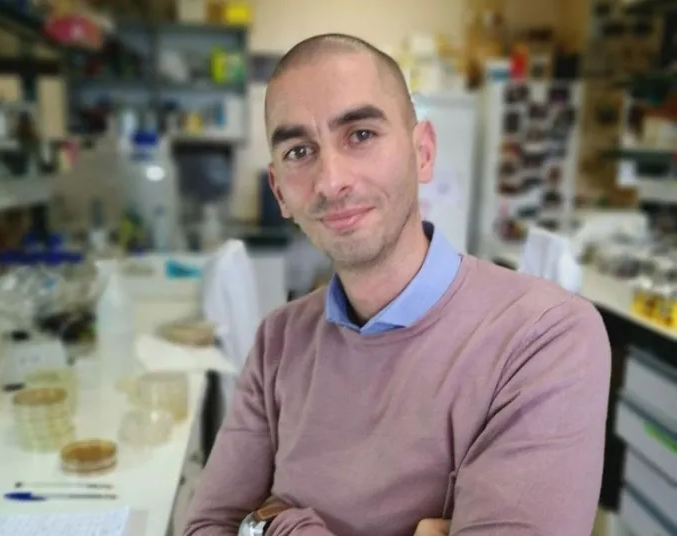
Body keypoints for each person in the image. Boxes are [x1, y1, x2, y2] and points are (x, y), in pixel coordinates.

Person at [184, 33, 611, 536]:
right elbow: (207, 525)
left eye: (361, 134)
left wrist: (271, 521)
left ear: (422, 152)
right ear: (279, 192)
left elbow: (236, 524)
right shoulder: (277, 340)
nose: (331, 181)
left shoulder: (544, 338)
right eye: (299, 151)